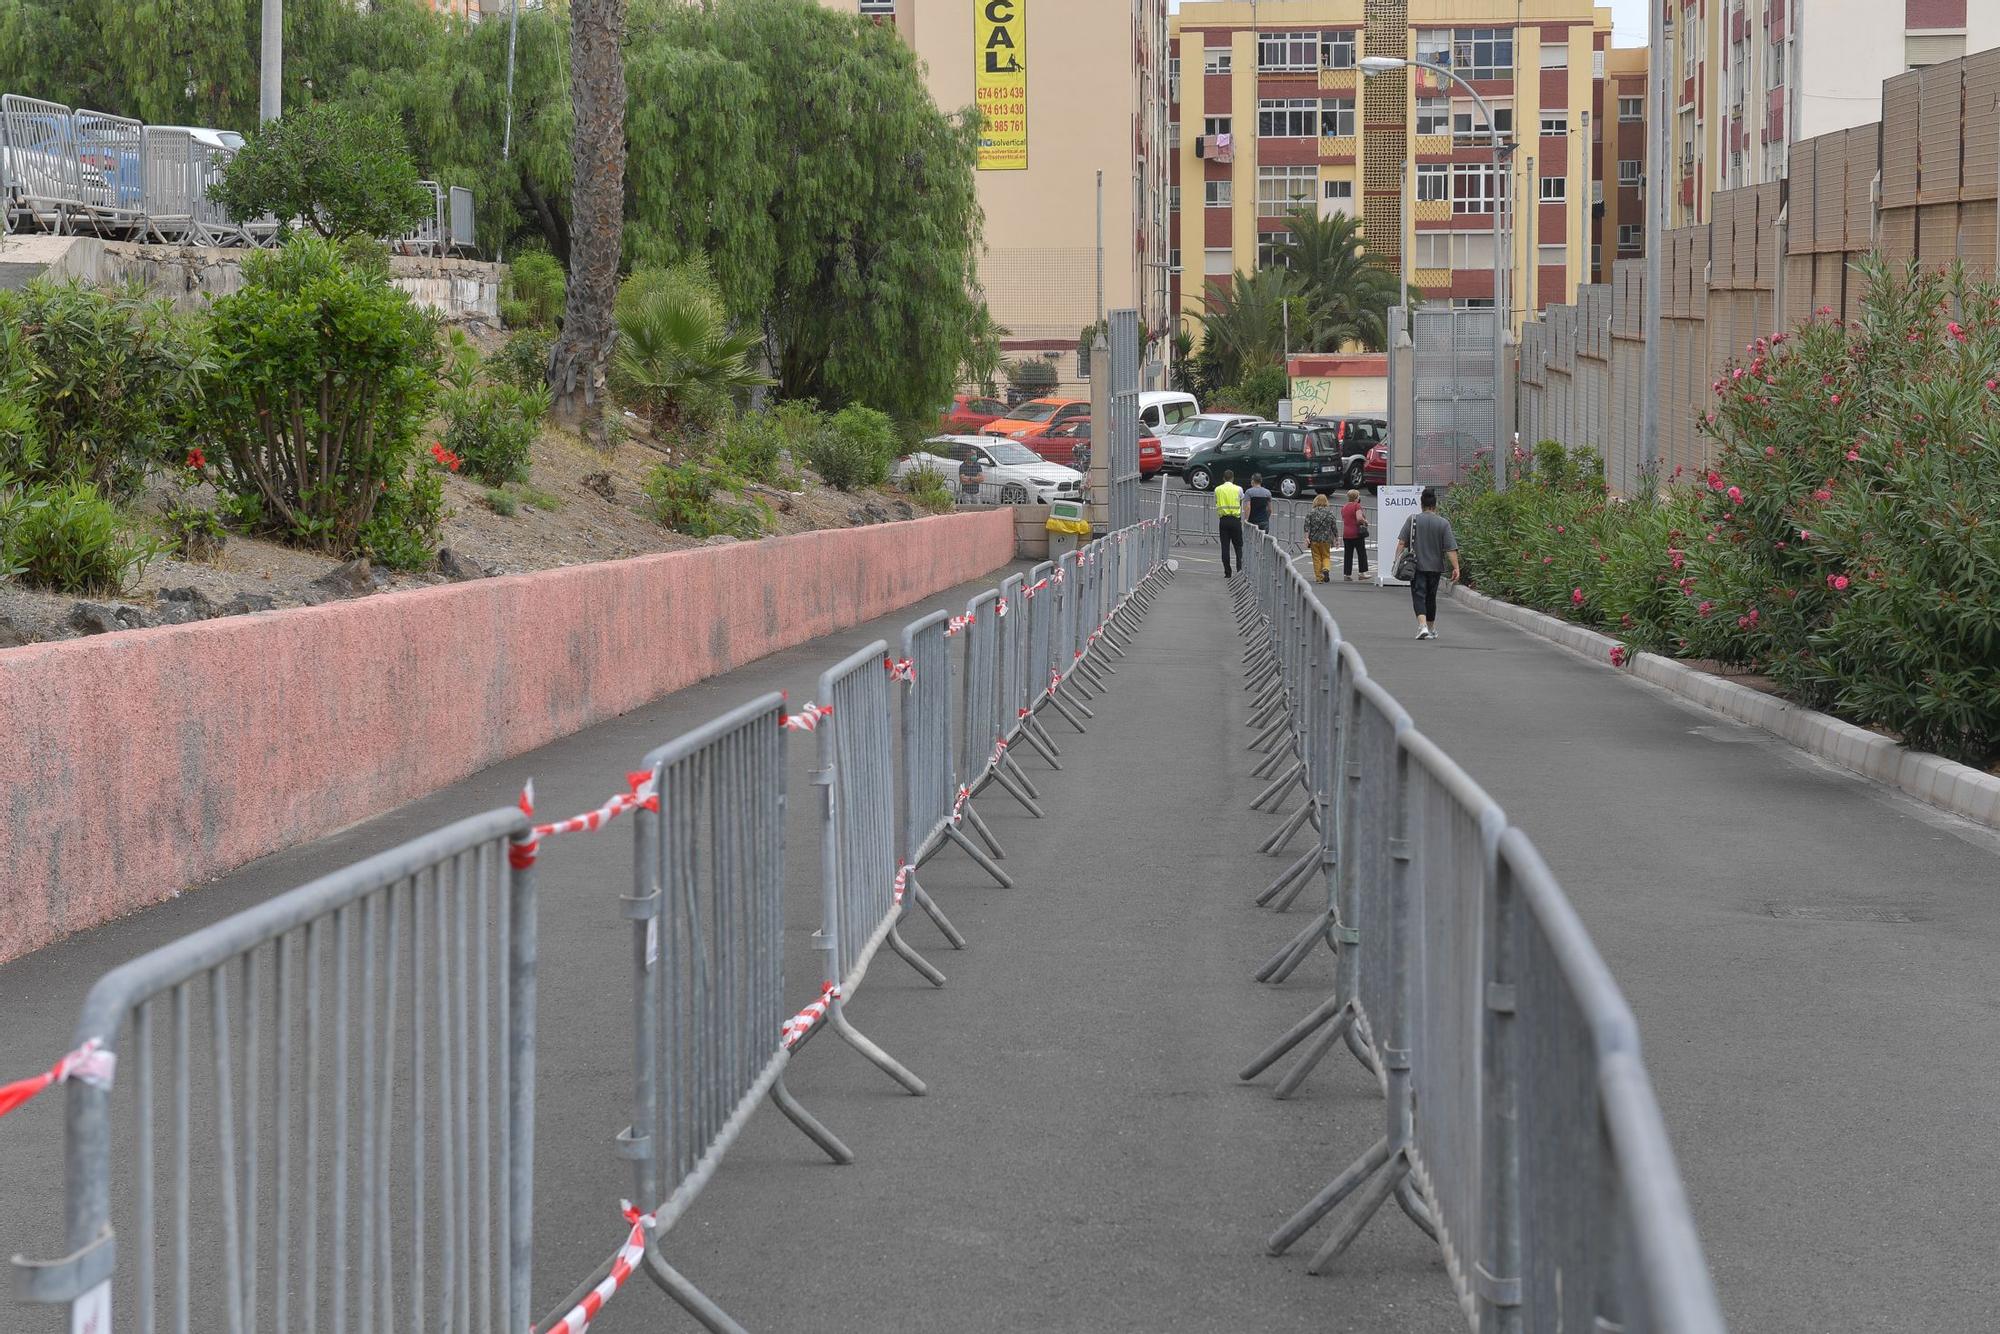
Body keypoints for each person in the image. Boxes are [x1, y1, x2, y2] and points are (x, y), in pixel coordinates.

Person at [1393, 487, 1461, 640]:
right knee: (1431, 597)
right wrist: (1456, 567)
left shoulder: (1413, 520)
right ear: (1435, 505)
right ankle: (1431, 628)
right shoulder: (1443, 523)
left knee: (1419, 595)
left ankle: (1422, 626)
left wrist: (1396, 560)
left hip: (1417, 566)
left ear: (1421, 504)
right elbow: (1450, 548)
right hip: (1436, 567)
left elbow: (1401, 543)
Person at [1214, 470, 1244, 578]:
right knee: (1238, 546)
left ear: (1223, 478)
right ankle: (1240, 570)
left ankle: (1227, 572)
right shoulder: (1238, 489)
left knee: (1225, 547)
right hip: (1235, 520)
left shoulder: (1218, 489)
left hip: (1223, 520)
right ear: (1232, 478)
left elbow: (1217, 502)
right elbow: (1241, 501)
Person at [1303, 493, 1339, 583]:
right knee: (1326, 556)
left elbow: (1306, 526)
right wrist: (1337, 539)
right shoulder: (1329, 513)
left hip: (1314, 539)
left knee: (1316, 558)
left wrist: (1307, 538)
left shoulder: (1311, 513)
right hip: (1326, 539)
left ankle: (1319, 578)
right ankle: (1326, 569)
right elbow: (1334, 527)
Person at [1339, 488, 1369, 581]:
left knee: (1348, 555)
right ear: (1356, 497)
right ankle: (1362, 573)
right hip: (1356, 533)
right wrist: (1365, 521)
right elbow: (1359, 518)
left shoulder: (1344, 507)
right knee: (1361, 553)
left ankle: (1347, 574)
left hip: (1346, 533)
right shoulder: (1357, 506)